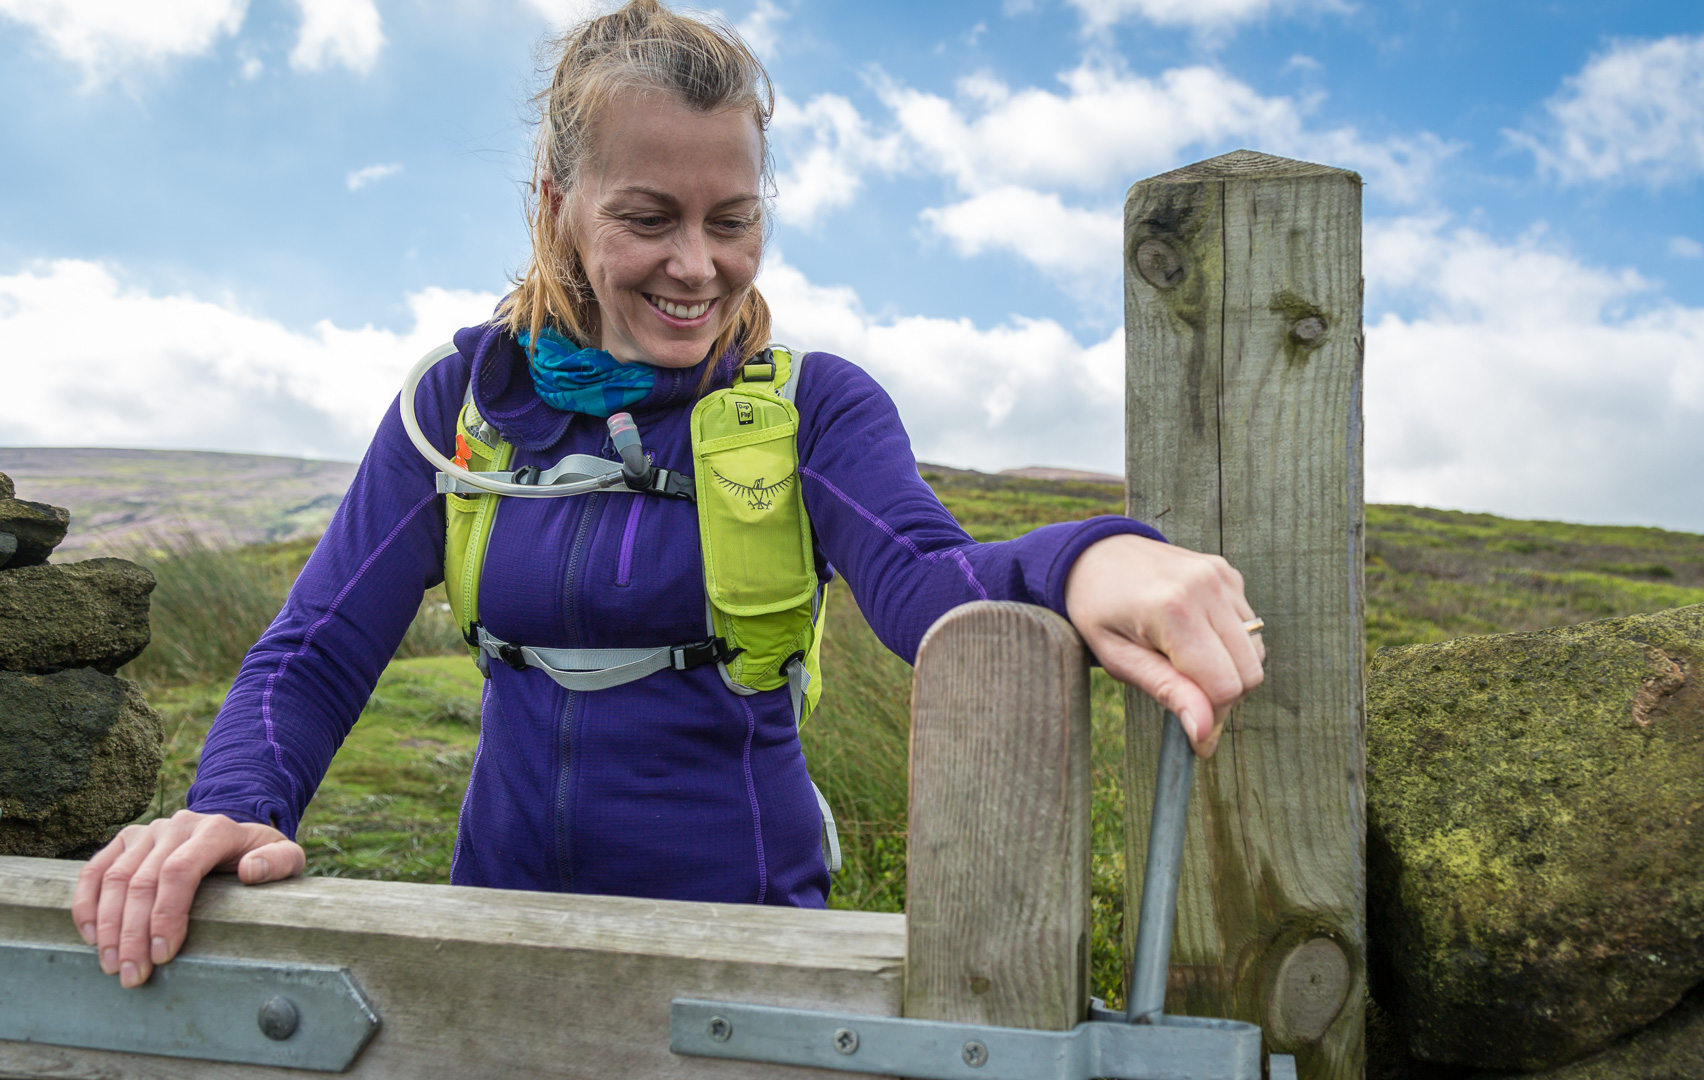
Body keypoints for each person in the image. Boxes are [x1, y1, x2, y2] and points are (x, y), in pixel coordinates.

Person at [70, 0, 1263, 991]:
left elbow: (934, 583)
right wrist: (232, 804)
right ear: (555, 204)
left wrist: (1093, 558)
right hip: (495, 949)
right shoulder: (456, 408)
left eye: (732, 223)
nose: (698, 267)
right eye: (648, 219)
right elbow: (313, 650)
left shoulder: (815, 410)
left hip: (748, 965)